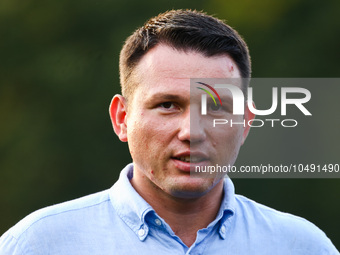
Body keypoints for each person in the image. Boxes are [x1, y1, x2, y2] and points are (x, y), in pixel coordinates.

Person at [0, 9, 338, 255]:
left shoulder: (302, 246)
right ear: (122, 118)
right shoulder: (37, 244)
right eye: (167, 105)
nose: (192, 132)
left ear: (247, 123)